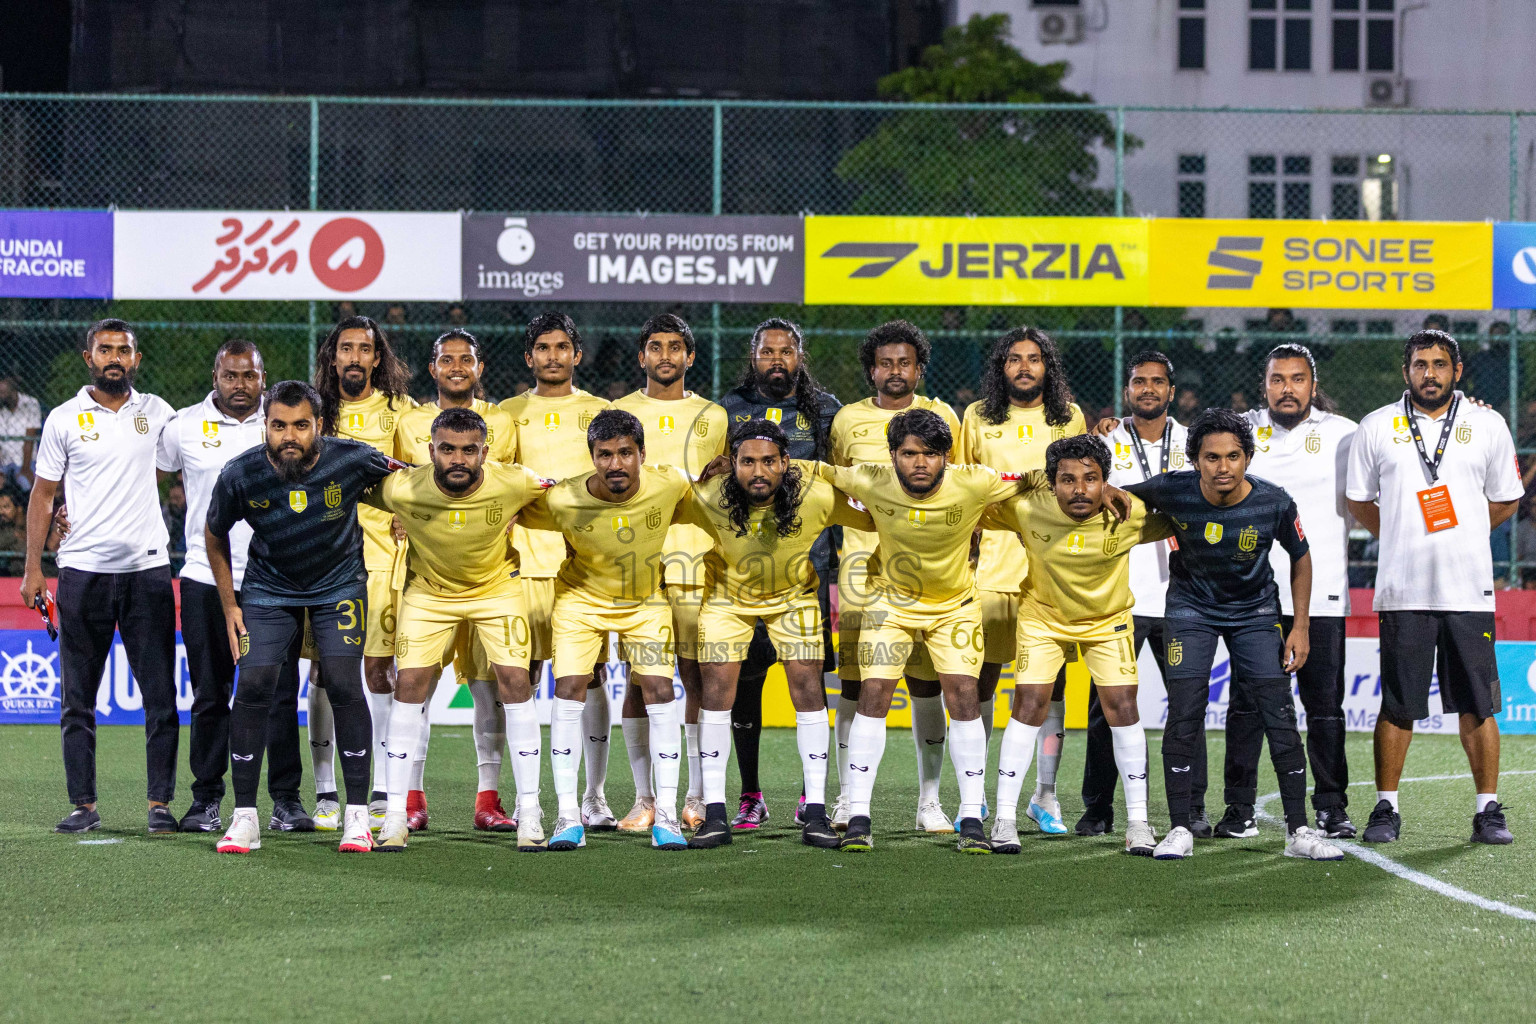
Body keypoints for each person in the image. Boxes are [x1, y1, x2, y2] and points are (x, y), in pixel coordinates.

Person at [1126, 409, 1340, 862]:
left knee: (1279, 715)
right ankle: (1181, 827)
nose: (1223, 467)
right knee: (1184, 714)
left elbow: (1301, 557)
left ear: (1247, 457)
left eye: (1233, 456)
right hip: (1189, 611)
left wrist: (1299, 626)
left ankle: (1298, 830)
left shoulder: (1275, 501)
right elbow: (1114, 497)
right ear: (1196, 460)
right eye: (1211, 457)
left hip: (1256, 613)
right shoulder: (1172, 488)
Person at [204, 380, 400, 854]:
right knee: (252, 687)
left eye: (301, 425)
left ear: (319, 425)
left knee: (343, 683)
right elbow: (214, 533)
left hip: (339, 587)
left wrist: (405, 510)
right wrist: (231, 605)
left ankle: (357, 818)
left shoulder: (352, 458)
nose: (289, 435)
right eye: (278, 425)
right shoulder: (240, 473)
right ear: (264, 425)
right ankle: (245, 816)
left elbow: (414, 481)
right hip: (269, 591)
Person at [817, 408, 1021, 854]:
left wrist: (1102, 487)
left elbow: (1035, 479)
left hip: (954, 608)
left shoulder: (975, 480)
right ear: (893, 455)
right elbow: (816, 469)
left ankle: (971, 818)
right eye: (909, 453)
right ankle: (859, 817)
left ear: (946, 456)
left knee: (964, 697)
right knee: (873, 695)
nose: (920, 463)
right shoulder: (870, 478)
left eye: (930, 453)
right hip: (889, 604)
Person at [1345, 330, 1519, 846]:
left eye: (1440, 364)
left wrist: (1464, 532)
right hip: (1403, 591)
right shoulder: (1377, 426)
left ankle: (1488, 809)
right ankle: (1385, 808)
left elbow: (1507, 498)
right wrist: (1401, 534)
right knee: (1398, 705)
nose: (1430, 373)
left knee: (1478, 705)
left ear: (1456, 370)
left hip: (1469, 593)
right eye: (1420, 364)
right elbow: (1359, 501)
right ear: (1407, 372)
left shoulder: (1488, 423)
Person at [365, 408, 550, 851]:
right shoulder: (402, 487)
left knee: (515, 681)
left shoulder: (515, 481)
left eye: (469, 450)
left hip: (495, 591)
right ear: (430, 451)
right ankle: (394, 817)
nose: (458, 459)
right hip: (428, 594)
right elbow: (339, 484)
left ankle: (531, 812)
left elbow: (567, 494)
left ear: (485, 452)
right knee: (409, 685)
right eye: (447, 449)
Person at [23, 318, 180, 835]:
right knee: (77, 701)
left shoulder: (158, 413)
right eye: (105, 349)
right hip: (82, 573)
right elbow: (43, 495)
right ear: (88, 357)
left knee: (160, 698)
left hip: (148, 572)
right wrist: (33, 568)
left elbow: (190, 465)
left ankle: (160, 805)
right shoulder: (63, 419)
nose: (115, 357)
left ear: (137, 358)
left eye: (124, 350)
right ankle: (84, 805)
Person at [682, 419, 867, 849]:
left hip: (794, 598)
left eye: (769, 461)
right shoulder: (708, 496)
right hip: (727, 600)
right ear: (731, 464)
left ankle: (816, 813)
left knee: (808, 689)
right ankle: (714, 814)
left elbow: (878, 517)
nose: (758, 472)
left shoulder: (816, 495)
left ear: (787, 462)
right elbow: (654, 502)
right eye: (746, 462)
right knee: (716, 695)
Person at [516, 409, 694, 851]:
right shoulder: (563, 498)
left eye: (626, 454)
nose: (616, 464)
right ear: (592, 456)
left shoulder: (669, 482)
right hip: (580, 601)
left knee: (658, 688)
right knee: (571, 686)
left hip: (645, 601)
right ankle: (567, 815)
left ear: (642, 454)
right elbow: (513, 510)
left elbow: (708, 486)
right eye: (605, 454)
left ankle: (667, 816)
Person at [982, 434, 1168, 856]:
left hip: (1107, 622)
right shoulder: (1026, 508)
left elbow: (1186, 514)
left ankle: (1138, 822)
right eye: (1066, 480)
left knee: (1123, 708)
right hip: (1043, 620)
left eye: (1091, 479)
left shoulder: (1130, 514)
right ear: (1051, 483)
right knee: (1028, 705)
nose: (1079, 489)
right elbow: (976, 498)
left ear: (1106, 482)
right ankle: (1005, 818)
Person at [160, 339, 311, 833]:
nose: (240, 385)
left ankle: (286, 800)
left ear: (263, 378)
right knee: (210, 694)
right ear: (215, 377)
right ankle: (206, 800)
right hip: (205, 578)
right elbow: (145, 477)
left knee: (281, 694)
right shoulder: (181, 426)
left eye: (249, 375)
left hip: (277, 580)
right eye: (231, 375)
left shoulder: (283, 426)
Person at [828, 320, 962, 833]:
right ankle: (847, 797)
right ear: (871, 370)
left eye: (904, 362)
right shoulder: (846, 421)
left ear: (918, 368)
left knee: (927, 686)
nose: (894, 371)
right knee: (857, 686)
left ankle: (930, 801)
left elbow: (961, 486)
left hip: (931, 577)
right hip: (863, 574)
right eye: (885, 363)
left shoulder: (941, 415)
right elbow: (840, 488)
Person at [1223, 344, 1358, 839]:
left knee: (1324, 709)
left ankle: (1331, 807)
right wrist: (1111, 426)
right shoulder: (1238, 431)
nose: (1287, 388)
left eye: (1297, 379)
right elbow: (1180, 448)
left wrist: (1470, 409)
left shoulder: (1346, 435)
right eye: (1277, 379)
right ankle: (1239, 810)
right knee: (1246, 708)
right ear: (1265, 385)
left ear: (1313, 387)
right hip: (1250, 599)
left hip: (1322, 597)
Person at [960, 326, 1085, 836]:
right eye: (1015, 359)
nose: (1025, 367)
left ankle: (1045, 795)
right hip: (992, 570)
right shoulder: (977, 418)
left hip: (1054, 575)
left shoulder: (1069, 417)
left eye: (1034, 359)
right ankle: (981, 793)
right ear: (1002, 367)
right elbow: (963, 489)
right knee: (982, 682)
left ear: (1046, 367)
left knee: (1050, 688)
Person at [716, 317, 840, 830]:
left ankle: (814, 798)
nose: (776, 360)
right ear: (753, 356)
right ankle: (750, 795)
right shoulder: (728, 409)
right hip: (741, 578)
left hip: (807, 575)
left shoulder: (824, 411)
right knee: (744, 689)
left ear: (799, 356)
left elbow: (837, 485)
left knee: (807, 685)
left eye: (786, 351)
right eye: (767, 352)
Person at [394, 329, 520, 833]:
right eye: (446, 359)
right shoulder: (409, 423)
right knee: (417, 685)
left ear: (480, 367)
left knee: (489, 686)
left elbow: (509, 482)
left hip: (490, 571)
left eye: (465, 359)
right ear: (433, 369)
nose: (456, 367)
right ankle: (411, 799)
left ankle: (488, 800)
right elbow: (399, 480)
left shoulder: (503, 422)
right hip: (428, 571)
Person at [611, 314, 728, 832]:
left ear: (690, 356)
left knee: (695, 675)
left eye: (675, 347)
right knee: (639, 678)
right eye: (655, 346)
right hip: (637, 561)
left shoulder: (714, 415)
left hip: (695, 558)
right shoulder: (619, 412)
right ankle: (645, 798)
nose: (665, 355)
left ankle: (699, 796)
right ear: (642, 357)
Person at [502, 312, 614, 829]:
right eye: (542, 347)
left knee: (588, 677)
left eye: (562, 346)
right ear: (529, 357)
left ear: (577, 354)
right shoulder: (506, 414)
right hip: (522, 564)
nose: (553, 356)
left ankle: (592, 796)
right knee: (520, 677)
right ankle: (529, 799)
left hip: (584, 568)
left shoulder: (601, 411)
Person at [1089, 352, 1206, 837]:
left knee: (1187, 706)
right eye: (1140, 382)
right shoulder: (1104, 441)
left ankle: (1192, 809)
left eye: (1158, 382)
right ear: (1127, 390)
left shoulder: (1194, 443)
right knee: (1105, 707)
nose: (1149, 390)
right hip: (1121, 596)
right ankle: (1097, 809)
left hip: (1182, 597)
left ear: (1172, 392)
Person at [308, 315, 414, 829]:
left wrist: (406, 513)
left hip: (379, 559)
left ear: (377, 357)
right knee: (324, 673)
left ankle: (379, 788)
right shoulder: (312, 411)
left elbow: (420, 473)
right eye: (345, 348)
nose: (354, 357)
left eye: (364, 349)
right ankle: (325, 790)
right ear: (333, 356)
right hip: (318, 558)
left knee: (377, 672)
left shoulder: (400, 412)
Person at [0, 373, 42, 491]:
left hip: (27, 461)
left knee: (25, 484)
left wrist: (25, 468)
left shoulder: (30, 403)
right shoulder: (1, 408)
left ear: (11, 383)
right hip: (5, 462)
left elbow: (29, 440)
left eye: (1, 382)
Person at [162, 482, 187, 557]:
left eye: (177, 498)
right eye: (172, 498)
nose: (174, 502)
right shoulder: (166, 513)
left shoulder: (191, 512)